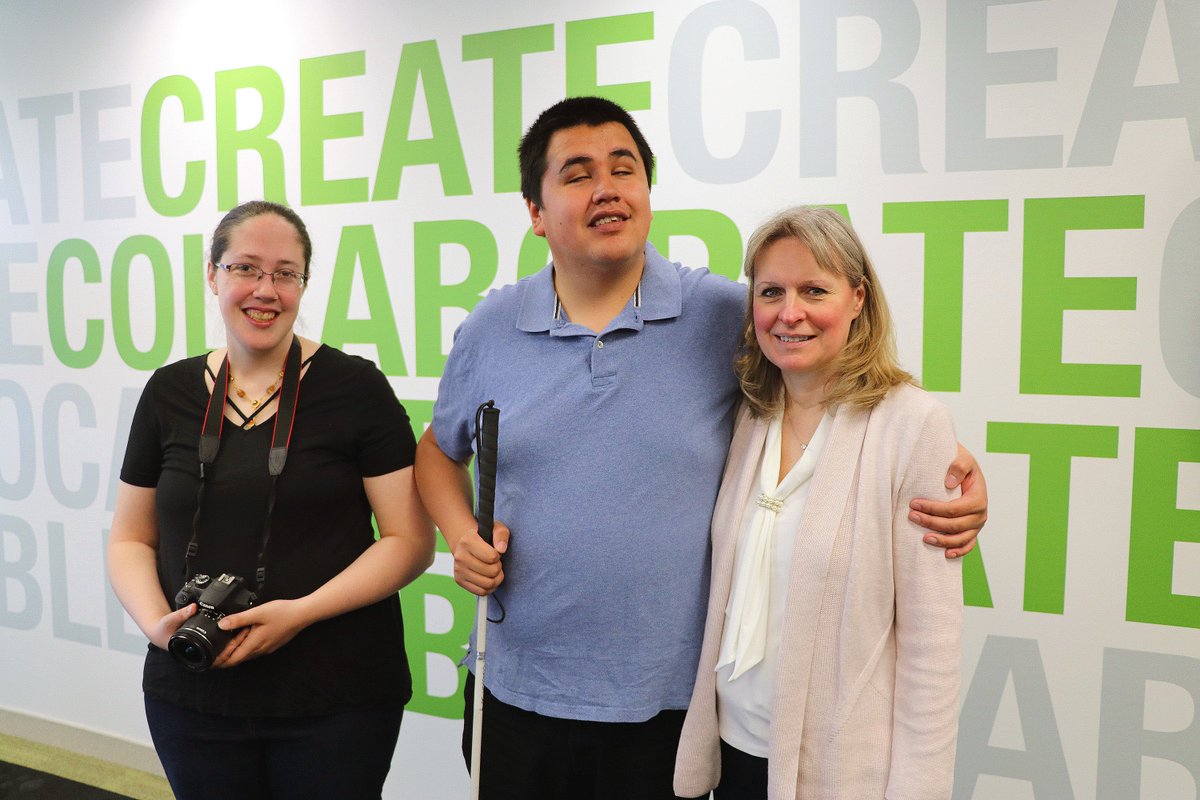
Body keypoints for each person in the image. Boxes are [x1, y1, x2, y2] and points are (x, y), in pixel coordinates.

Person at [414, 97, 983, 799]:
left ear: (647, 192)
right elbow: (438, 452)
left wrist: (949, 464)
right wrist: (459, 533)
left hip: (670, 711)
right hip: (515, 688)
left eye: (624, 168)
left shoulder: (723, 315)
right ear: (535, 212)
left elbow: (832, 376)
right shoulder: (491, 326)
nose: (606, 188)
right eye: (578, 174)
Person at [108, 201, 434, 800]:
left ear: (304, 284)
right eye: (246, 269)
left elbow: (410, 542)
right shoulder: (169, 392)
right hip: (194, 692)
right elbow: (131, 537)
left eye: (286, 273)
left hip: (336, 698)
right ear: (213, 275)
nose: (266, 290)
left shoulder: (356, 388)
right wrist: (158, 626)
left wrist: (301, 612)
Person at [673, 207, 963, 799]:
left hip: (838, 776)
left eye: (814, 290)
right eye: (771, 291)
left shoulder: (912, 425)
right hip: (733, 757)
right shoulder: (749, 416)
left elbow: (932, 651)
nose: (790, 312)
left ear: (858, 298)